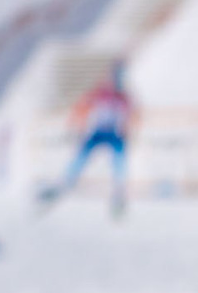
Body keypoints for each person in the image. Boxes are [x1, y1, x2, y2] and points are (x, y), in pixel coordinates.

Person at [45, 61, 135, 217]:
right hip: (98, 131)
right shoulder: (100, 93)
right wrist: (77, 125)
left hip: (114, 133)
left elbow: (131, 115)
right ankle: (65, 182)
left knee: (119, 158)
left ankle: (119, 190)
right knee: (81, 155)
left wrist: (128, 130)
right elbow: (83, 106)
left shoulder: (123, 97)